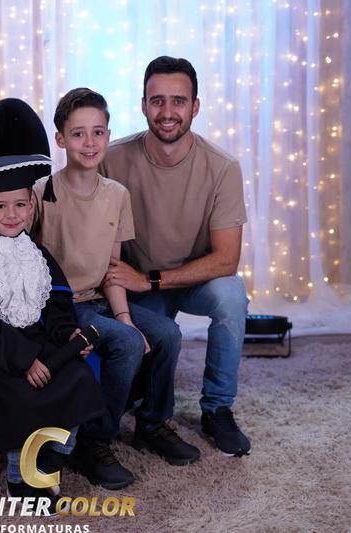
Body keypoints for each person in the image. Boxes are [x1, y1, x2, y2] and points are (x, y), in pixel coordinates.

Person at [31, 88, 198, 491]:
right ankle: (95, 439)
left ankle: (152, 422)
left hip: (102, 300)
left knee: (167, 332)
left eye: (98, 132)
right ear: (61, 139)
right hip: (64, 307)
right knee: (125, 343)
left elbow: (113, 269)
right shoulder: (40, 193)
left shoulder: (117, 195)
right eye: (78, 134)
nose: (89, 143)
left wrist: (125, 317)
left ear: (108, 135)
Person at [0, 154, 107, 513]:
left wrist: (67, 335)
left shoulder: (37, 254)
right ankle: (20, 478)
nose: (11, 214)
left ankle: (51, 457)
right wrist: (24, 359)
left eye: (20, 205)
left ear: (31, 207)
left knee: (79, 376)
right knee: (21, 394)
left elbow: (56, 303)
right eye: (0, 206)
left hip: (39, 343)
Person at [100, 56, 251, 457]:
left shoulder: (223, 167)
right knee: (149, 355)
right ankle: (144, 414)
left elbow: (227, 260)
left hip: (194, 278)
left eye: (179, 101)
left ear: (195, 107)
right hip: (139, 281)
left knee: (232, 296)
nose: (168, 112)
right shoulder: (112, 158)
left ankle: (217, 408)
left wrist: (151, 280)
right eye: (158, 101)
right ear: (143, 105)